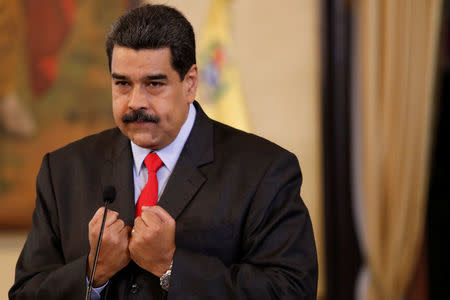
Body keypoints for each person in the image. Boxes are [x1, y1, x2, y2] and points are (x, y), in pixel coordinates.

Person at [9, 4, 318, 300]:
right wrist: (93, 272)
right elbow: (25, 293)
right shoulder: (63, 170)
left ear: (190, 83)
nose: (135, 102)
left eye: (153, 84)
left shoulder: (264, 171)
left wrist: (170, 266)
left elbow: (291, 291)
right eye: (122, 84)